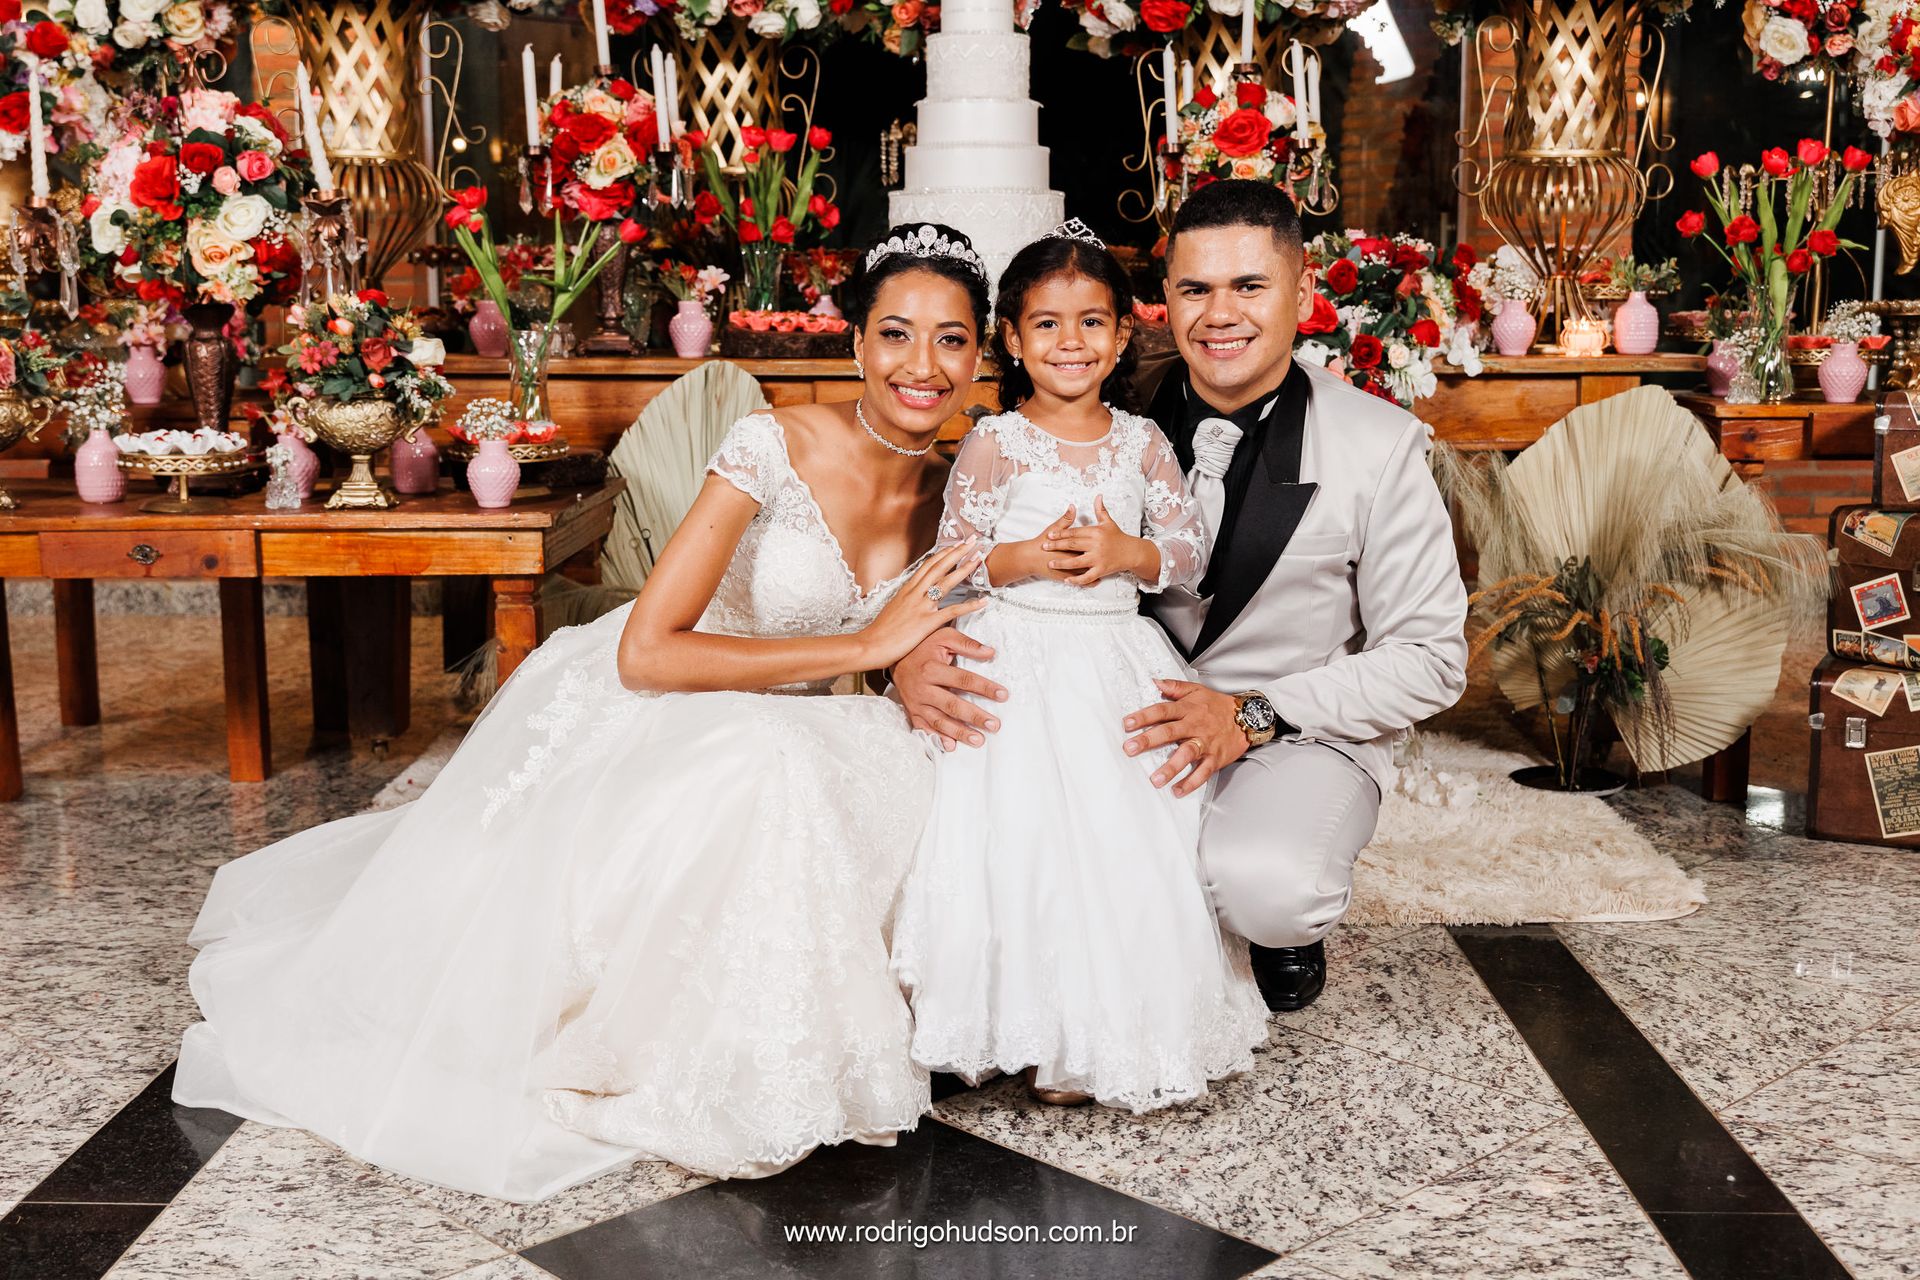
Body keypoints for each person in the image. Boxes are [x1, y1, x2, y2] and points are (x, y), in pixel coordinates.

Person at [173, 223, 994, 1203]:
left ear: (981, 356)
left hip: (833, 715)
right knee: (771, 769)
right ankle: (699, 1056)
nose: (923, 364)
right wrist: (866, 650)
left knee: (907, 769)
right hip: (683, 697)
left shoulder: (970, 488)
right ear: (855, 342)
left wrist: (895, 673)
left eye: (952, 340)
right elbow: (650, 648)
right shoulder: (773, 445)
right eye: (897, 333)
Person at [893, 182, 1469, 1012]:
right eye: (1196, 289)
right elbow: (961, 553)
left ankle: (1275, 923)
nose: (1219, 314)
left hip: (1286, 728)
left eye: (1249, 286)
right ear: (1160, 304)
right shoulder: (1105, 404)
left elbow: (1431, 661)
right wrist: (915, 654)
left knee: (1265, 883)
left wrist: (1251, 713)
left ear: (1303, 293)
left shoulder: (1378, 448)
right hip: (1101, 708)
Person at [890, 225, 1268, 1112]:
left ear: (1121, 335)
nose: (1071, 343)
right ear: (1012, 342)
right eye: (1047, 325)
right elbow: (951, 562)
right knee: (1020, 843)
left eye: (1092, 323)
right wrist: (1020, 559)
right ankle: (1016, 1025)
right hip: (1018, 656)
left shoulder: (1141, 444)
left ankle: (1098, 1036)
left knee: (1121, 837)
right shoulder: (997, 443)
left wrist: (1125, 551)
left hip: (1113, 658)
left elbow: (1185, 552)